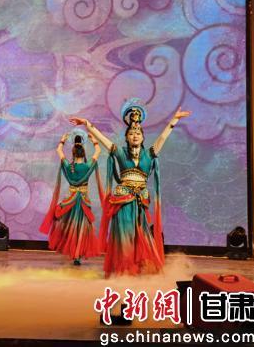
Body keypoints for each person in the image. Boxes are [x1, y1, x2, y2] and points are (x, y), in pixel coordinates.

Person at [69, 100, 191, 277]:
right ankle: (123, 270)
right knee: (124, 235)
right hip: (123, 201)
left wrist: (174, 120)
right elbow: (104, 141)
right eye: (132, 133)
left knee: (140, 235)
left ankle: (137, 268)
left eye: (138, 133)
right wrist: (88, 124)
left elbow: (162, 139)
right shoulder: (120, 153)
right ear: (126, 137)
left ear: (142, 137)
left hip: (140, 201)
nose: (135, 135)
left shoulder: (149, 154)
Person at [40, 130, 103, 265]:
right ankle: (77, 255)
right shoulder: (87, 166)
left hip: (71, 201)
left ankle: (74, 253)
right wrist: (94, 140)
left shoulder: (69, 166)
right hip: (83, 201)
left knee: (71, 227)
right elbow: (98, 151)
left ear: (73, 153)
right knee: (82, 228)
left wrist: (62, 140)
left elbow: (59, 150)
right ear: (83, 153)